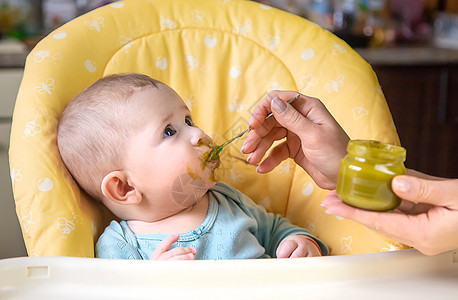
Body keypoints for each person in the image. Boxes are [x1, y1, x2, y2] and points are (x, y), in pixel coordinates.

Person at [57, 73, 327, 260]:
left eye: (188, 120)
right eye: (169, 131)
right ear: (124, 187)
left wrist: (299, 243)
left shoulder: (228, 201)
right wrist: (153, 283)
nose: (197, 133)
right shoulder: (121, 246)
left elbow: (276, 230)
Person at [241, 90, 458, 256]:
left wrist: (300, 242)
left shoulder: (234, 206)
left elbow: (276, 230)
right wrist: (345, 167)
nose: (204, 134)